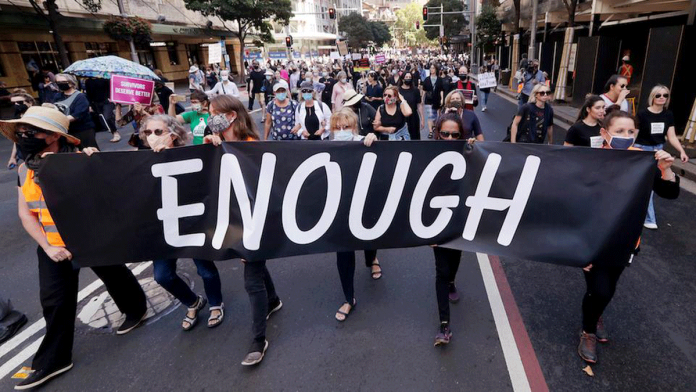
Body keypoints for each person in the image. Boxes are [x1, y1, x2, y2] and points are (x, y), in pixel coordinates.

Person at [0, 107, 147, 390]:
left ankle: (136, 309)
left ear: (53, 136)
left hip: (90, 238)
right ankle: (53, 360)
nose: (23, 137)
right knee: (54, 302)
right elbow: (25, 214)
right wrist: (48, 247)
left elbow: (115, 192)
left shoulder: (80, 160)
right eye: (20, 132)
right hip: (52, 246)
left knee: (114, 275)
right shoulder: (24, 169)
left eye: (30, 132)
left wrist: (93, 166)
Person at [577, 109, 679, 364]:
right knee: (598, 290)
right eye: (619, 131)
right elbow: (571, 204)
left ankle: (595, 314)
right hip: (592, 242)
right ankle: (587, 331)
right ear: (604, 133)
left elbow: (669, 193)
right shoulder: (587, 160)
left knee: (609, 288)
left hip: (626, 243)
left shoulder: (644, 161)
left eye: (630, 131)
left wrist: (666, 169)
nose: (626, 136)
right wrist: (576, 248)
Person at [202, 95, 283, 366]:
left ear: (232, 116)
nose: (209, 117)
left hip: (256, 221)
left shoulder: (252, 146)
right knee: (256, 265)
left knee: (251, 278)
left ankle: (258, 340)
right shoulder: (214, 143)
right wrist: (210, 150)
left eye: (214, 113)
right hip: (235, 221)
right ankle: (272, 300)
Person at [138, 114, 225, 330]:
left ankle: (216, 303)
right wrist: (91, 154)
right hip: (164, 226)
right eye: (148, 132)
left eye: (158, 132)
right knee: (162, 276)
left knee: (205, 269)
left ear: (173, 134)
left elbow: (211, 173)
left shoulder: (189, 155)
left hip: (193, 222)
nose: (152, 137)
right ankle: (193, 302)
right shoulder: (139, 160)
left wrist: (211, 146)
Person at [430, 112, 476, 346]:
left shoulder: (468, 153)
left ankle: (451, 282)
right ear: (437, 133)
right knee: (441, 269)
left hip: (459, 219)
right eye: (444, 133)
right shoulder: (426, 155)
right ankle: (444, 326)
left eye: (455, 135)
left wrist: (474, 152)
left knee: (455, 260)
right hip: (437, 220)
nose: (449, 138)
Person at [328, 108, 378, 322]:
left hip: (365, 204)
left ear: (354, 127)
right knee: (343, 252)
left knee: (369, 237)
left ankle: (372, 258)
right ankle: (349, 298)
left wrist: (374, 139)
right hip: (340, 208)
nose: (341, 131)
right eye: (337, 128)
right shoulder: (325, 147)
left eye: (346, 127)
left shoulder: (363, 141)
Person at [635, 85, 689, 230]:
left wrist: (681, 151)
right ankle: (648, 218)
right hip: (643, 150)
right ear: (652, 97)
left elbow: (671, 136)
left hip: (659, 151)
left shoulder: (668, 115)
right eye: (658, 95)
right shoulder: (642, 114)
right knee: (647, 184)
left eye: (665, 95)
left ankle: (645, 216)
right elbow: (634, 135)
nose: (662, 98)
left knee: (652, 184)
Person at [54, 73, 99, 149]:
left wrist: (60, 120)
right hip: (66, 131)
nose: (60, 84)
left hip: (83, 129)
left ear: (71, 83)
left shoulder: (80, 97)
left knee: (90, 151)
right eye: (58, 82)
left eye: (63, 82)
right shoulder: (57, 96)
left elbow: (78, 114)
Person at [84, 77, 121, 143]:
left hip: (107, 101)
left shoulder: (105, 79)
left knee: (107, 117)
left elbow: (111, 88)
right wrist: (89, 105)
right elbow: (88, 94)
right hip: (96, 103)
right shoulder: (88, 81)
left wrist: (112, 98)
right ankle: (112, 123)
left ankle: (115, 132)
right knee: (104, 117)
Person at [7, 94, 36, 169]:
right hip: (25, 155)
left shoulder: (38, 116)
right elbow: (17, 140)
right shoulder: (16, 117)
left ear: (30, 102)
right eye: (13, 103)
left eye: (19, 102)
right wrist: (12, 157)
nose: (16, 105)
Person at [399, 72, 425, 140]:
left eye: (410, 77)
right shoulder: (398, 90)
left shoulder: (415, 90)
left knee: (414, 137)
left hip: (413, 118)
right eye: (406, 77)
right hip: (401, 118)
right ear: (402, 79)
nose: (408, 79)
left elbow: (419, 105)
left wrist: (422, 119)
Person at [422, 64, 445, 131]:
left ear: (436, 70)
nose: (431, 69)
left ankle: (434, 126)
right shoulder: (426, 79)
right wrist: (422, 98)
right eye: (431, 68)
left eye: (433, 68)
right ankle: (430, 131)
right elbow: (424, 90)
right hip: (428, 100)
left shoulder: (440, 79)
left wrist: (442, 99)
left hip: (437, 99)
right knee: (430, 116)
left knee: (434, 116)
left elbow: (441, 90)